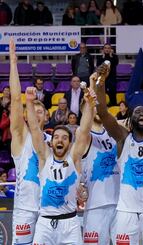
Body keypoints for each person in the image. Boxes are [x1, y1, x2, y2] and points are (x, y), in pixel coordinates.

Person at [95, 58, 143, 245]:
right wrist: (101, 84)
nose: (142, 114)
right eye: (137, 112)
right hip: (126, 210)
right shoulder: (122, 138)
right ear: (130, 118)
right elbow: (103, 112)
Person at [26, 83, 94, 244]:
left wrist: (90, 106)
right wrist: (29, 102)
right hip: (44, 224)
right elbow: (35, 129)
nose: (60, 140)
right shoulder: (44, 157)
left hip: (70, 224)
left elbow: (84, 131)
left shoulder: (74, 159)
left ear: (70, 144)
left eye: (64, 138)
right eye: (56, 137)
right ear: (51, 142)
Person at [9, 39, 52, 245]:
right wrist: (13, 63)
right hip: (25, 209)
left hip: (50, 209)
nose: (36, 112)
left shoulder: (55, 141)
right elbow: (16, 100)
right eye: (32, 110)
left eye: (40, 110)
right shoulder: (20, 137)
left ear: (47, 116)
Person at [79, 77, 120, 245]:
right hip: (95, 205)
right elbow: (85, 125)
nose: (95, 109)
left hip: (121, 205)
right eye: (91, 107)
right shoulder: (83, 136)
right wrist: (91, 87)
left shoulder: (115, 132)